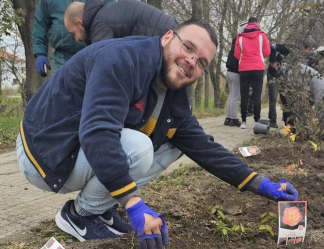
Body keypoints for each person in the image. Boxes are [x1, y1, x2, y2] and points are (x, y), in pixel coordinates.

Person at [17, 19, 298, 247]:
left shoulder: (175, 94)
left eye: (201, 62)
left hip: (75, 151)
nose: (191, 61)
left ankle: (100, 207)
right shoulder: (122, 59)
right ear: (167, 38)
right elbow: (98, 131)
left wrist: (259, 183)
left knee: (175, 144)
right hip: (45, 153)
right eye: (188, 47)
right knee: (138, 147)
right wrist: (133, 202)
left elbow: (203, 146)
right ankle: (78, 215)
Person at [64, 0, 177, 45]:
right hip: (173, 34)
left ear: (80, 23)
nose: (77, 39)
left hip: (168, 40)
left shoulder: (99, 25)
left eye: (73, 33)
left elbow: (103, 63)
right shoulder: (105, 12)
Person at [32, 0, 91, 77]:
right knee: (62, 86)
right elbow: (40, 24)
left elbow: (108, 13)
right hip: (62, 57)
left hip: (91, 53)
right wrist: (40, 52)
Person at [234, 17, 270, 129]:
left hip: (244, 68)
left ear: (247, 24)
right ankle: (257, 121)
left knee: (244, 95)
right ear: (257, 23)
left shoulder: (240, 37)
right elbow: (267, 52)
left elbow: (236, 55)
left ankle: (243, 121)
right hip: (258, 67)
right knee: (256, 95)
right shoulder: (262, 35)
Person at [223, 37, 242, 127]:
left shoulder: (233, 46)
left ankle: (228, 118)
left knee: (231, 96)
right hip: (235, 73)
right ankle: (234, 118)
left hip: (229, 72)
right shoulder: (239, 47)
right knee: (236, 97)